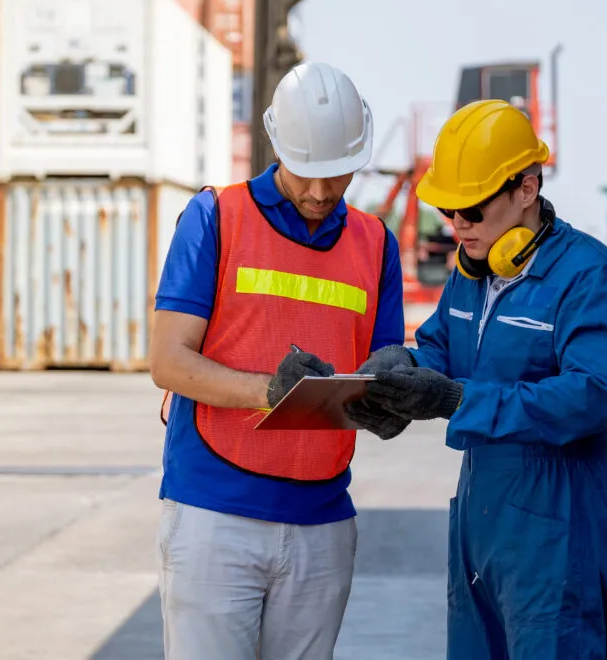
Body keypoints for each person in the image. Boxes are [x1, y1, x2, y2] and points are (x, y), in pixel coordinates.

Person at [346, 99, 607, 659]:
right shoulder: (472, 272)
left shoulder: (588, 278)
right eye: (448, 212)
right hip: (480, 515)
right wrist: (398, 372)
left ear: (526, 188)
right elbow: (440, 344)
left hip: (560, 519)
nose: (457, 226)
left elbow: (589, 397)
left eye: (472, 211)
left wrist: (459, 399)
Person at [148, 61, 405, 660]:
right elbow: (168, 362)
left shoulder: (375, 242)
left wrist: (396, 393)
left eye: (336, 175)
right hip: (215, 517)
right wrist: (273, 390)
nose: (320, 193)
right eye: (306, 174)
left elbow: (382, 361)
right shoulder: (215, 217)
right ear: (275, 143)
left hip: (324, 521)